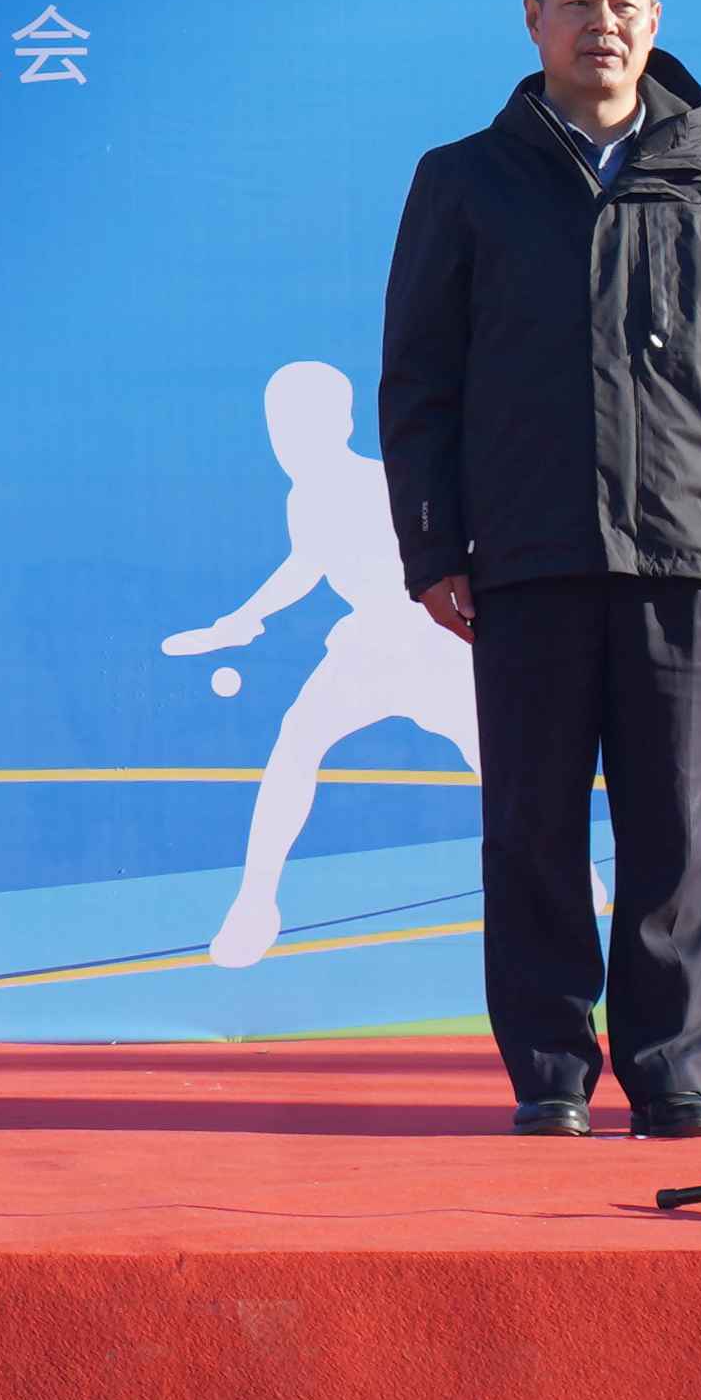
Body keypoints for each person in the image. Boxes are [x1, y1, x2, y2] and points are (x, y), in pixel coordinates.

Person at [377, 0, 701, 1141]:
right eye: (576, 0)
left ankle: (672, 1070)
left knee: (674, 822)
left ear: (654, 21)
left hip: (683, 550)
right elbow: (418, 380)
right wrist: (432, 546)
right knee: (532, 823)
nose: (600, 21)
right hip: (528, 550)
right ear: (532, 19)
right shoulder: (466, 178)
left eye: (622, 1)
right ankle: (550, 1069)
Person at [163, 359, 479, 970]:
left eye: (302, 425)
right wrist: (243, 618)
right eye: (279, 426)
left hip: (430, 642)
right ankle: (256, 905)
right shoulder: (304, 496)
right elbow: (305, 565)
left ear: (343, 423)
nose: (287, 441)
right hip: (365, 649)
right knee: (295, 746)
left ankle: (568, 875)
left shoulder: (384, 482)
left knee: (497, 763)